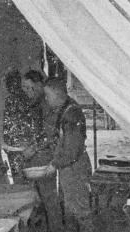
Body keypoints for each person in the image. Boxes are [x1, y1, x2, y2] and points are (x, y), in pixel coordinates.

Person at [41, 77, 93, 232]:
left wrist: (54, 164)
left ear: (57, 94)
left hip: (74, 168)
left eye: (47, 95)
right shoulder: (65, 110)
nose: (46, 99)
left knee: (80, 211)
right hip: (69, 168)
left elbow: (72, 149)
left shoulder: (71, 114)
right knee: (71, 209)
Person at [19, 70, 63, 232]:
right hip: (37, 156)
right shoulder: (37, 102)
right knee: (40, 201)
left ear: (38, 85)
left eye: (28, 87)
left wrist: (34, 147)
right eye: (23, 88)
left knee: (50, 200)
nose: (26, 92)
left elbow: (51, 134)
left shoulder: (47, 104)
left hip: (45, 157)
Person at [1, 70, 44, 178]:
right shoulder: (28, 98)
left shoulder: (26, 99)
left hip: (24, 149)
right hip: (23, 148)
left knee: (22, 180)